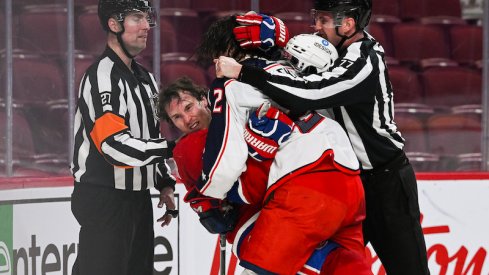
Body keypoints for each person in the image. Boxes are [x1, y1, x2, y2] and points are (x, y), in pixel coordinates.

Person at [216, 1, 431, 274]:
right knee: (333, 268)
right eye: (317, 18)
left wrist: (244, 72)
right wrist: (265, 45)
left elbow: (314, 91)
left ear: (349, 24)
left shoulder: (366, 59)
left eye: (324, 20)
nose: (316, 26)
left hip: (386, 183)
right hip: (345, 184)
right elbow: (289, 72)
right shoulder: (323, 48)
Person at [158, 16, 371, 275]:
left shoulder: (231, 85)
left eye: (188, 108)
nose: (187, 119)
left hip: (305, 185)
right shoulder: (293, 68)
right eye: (177, 118)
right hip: (349, 178)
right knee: (344, 263)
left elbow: (221, 172)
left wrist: (212, 199)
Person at [70, 1, 177, 274]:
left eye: (146, 18)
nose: (146, 26)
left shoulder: (147, 80)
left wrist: (164, 182)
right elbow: (114, 146)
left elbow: (149, 136)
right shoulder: (100, 77)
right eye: (136, 18)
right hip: (104, 200)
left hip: (137, 201)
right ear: (113, 24)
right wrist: (173, 148)